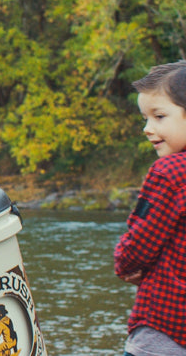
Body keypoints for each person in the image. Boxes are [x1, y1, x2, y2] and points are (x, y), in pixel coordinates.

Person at [114, 61, 186, 356]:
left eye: (159, 116)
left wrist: (125, 265)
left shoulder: (169, 173)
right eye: (145, 118)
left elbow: (139, 244)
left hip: (165, 329)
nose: (147, 129)